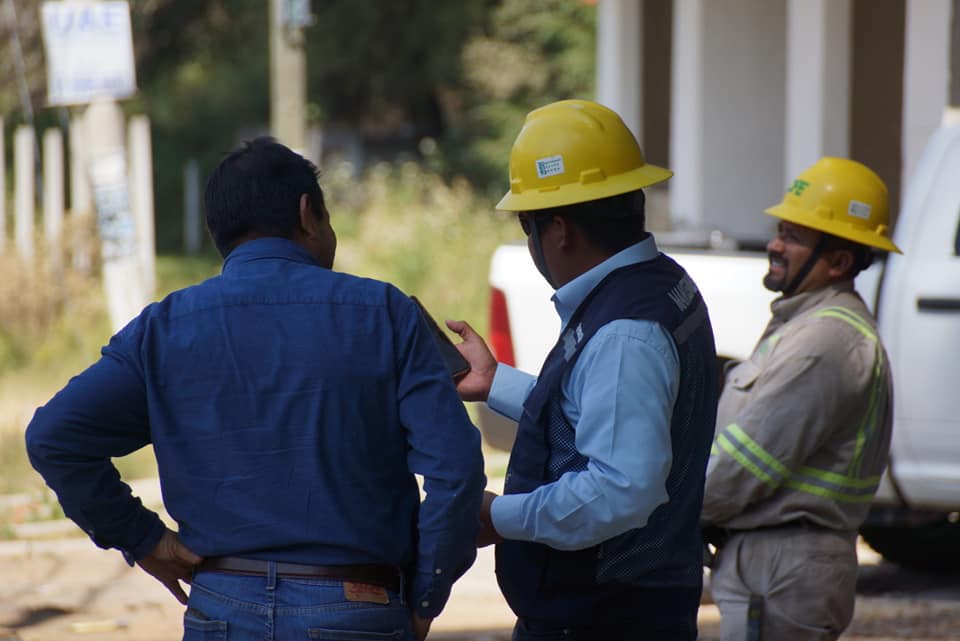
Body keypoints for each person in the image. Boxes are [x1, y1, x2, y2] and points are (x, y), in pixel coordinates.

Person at [25, 137, 485, 641]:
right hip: (358, 606)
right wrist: (425, 595)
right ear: (308, 213)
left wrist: (145, 540)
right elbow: (456, 470)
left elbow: (54, 437)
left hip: (220, 609)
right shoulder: (385, 313)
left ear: (218, 231)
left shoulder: (164, 328)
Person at [447, 99, 719, 641]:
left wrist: (498, 516)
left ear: (560, 230)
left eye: (528, 223)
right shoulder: (658, 284)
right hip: (632, 605)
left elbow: (620, 490)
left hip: (607, 615)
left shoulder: (625, 333)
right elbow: (593, 412)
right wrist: (494, 382)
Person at [701, 157, 899, 641]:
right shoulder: (804, 325)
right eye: (780, 229)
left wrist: (657, 515)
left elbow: (740, 468)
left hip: (783, 569)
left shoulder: (826, 342)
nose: (775, 244)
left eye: (793, 236)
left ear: (838, 261)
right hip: (776, 562)